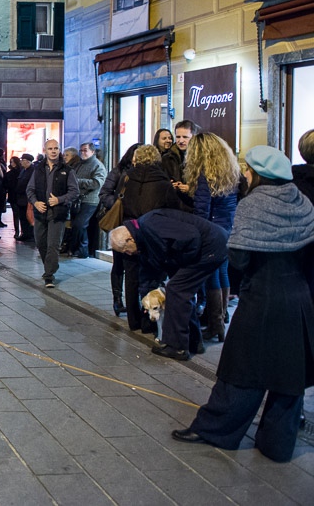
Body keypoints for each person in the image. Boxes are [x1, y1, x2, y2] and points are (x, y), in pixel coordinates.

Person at [172, 146, 314, 462]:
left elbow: (238, 258)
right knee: (288, 375)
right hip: (298, 297)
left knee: (243, 368)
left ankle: (216, 429)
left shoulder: (253, 204)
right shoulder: (302, 201)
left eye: (248, 170)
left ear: (258, 174)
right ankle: (278, 444)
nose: (246, 175)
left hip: (262, 296)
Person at [109, 207, 227, 361]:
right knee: (180, 291)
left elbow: (191, 238)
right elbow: (153, 266)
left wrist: (181, 263)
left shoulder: (151, 225)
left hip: (210, 246)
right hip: (210, 245)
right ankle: (193, 342)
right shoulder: (144, 232)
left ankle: (178, 347)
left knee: (176, 290)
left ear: (129, 239)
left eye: (126, 250)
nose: (129, 253)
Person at [106, 145, 180, 332]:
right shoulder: (163, 182)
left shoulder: (127, 178)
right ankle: (149, 322)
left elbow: (119, 201)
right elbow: (173, 209)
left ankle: (134, 320)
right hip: (154, 233)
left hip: (130, 231)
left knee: (131, 276)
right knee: (153, 276)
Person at [184, 132, 240, 342]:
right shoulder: (230, 171)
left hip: (212, 231)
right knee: (223, 271)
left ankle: (215, 324)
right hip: (228, 227)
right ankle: (222, 320)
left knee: (211, 275)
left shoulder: (205, 176)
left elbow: (202, 210)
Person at [26, 140, 78, 288]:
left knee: (53, 245)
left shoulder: (67, 170)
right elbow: (30, 189)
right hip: (40, 212)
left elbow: (74, 191)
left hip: (58, 214)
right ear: (45, 150)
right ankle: (48, 267)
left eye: (56, 148)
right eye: (50, 148)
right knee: (41, 243)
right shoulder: (38, 169)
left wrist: (59, 200)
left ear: (59, 150)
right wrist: (35, 202)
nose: (53, 151)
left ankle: (49, 275)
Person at [98, 142, 141, 317]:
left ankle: (135, 301)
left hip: (138, 223)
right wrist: (118, 204)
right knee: (119, 263)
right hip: (121, 223)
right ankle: (117, 299)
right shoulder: (119, 171)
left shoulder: (146, 173)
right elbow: (104, 193)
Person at [66, 142, 106, 259]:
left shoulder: (97, 165)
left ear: (92, 152)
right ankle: (78, 249)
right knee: (76, 225)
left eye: (85, 150)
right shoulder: (78, 164)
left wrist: (78, 182)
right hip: (77, 200)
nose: (82, 152)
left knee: (80, 224)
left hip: (90, 200)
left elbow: (97, 183)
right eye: (81, 150)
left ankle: (83, 249)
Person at [162, 119, 199, 205]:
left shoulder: (201, 157)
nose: (181, 141)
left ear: (193, 137)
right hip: (173, 203)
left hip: (194, 204)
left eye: (185, 137)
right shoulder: (167, 158)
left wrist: (191, 188)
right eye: (178, 137)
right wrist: (169, 185)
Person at [13, 154, 36, 242]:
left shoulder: (33, 171)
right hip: (21, 198)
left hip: (27, 198)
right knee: (22, 217)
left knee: (28, 217)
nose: (21, 162)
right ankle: (25, 233)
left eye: (23, 160)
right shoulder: (23, 170)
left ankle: (30, 235)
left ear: (28, 161)